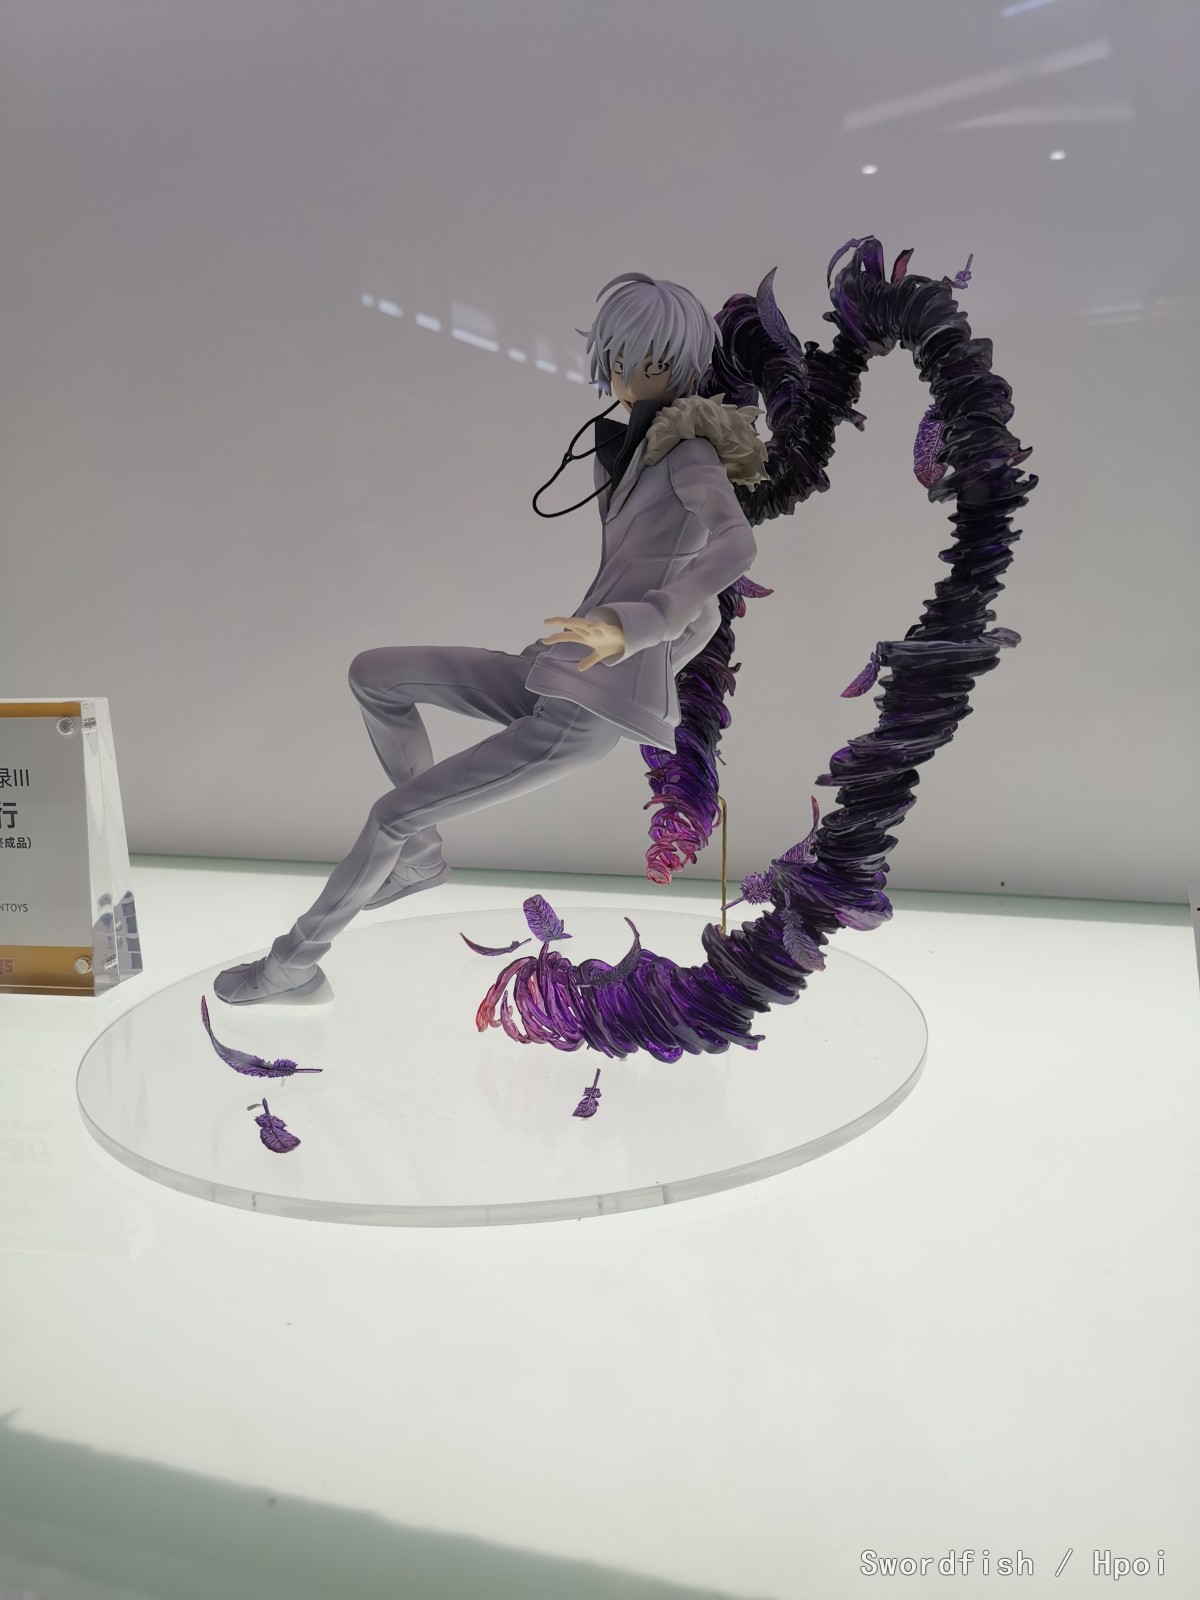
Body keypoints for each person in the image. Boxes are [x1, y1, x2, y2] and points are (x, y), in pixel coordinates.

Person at [214, 272, 766, 1004]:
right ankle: (420, 860)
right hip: (557, 672)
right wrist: (621, 645)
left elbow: (735, 547)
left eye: (627, 359)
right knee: (373, 674)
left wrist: (640, 631)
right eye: (613, 357)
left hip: (583, 711)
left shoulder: (690, 453)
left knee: (390, 815)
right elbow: (703, 617)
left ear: (665, 362)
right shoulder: (638, 448)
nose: (614, 373)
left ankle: (291, 965)